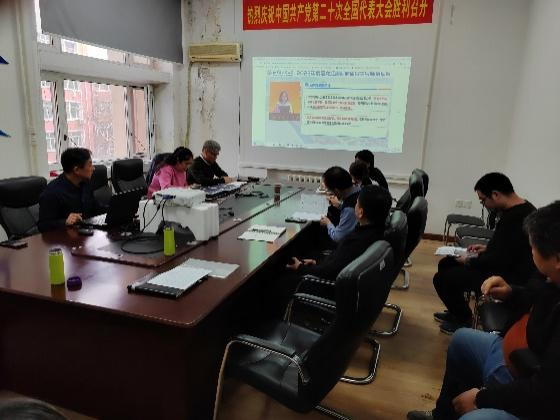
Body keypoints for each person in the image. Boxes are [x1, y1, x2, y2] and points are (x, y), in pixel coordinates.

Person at [407, 201, 560, 420]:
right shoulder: (551, 278)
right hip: (518, 356)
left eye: (533, 248)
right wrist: (511, 292)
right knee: (462, 340)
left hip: (535, 392)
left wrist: (481, 399)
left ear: (557, 259)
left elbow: (545, 392)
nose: (531, 253)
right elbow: (536, 294)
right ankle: (442, 416)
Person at [433, 173, 536, 334]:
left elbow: (500, 260)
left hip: (505, 277)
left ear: (495, 195)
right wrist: (487, 248)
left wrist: (469, 260)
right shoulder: (522, 209)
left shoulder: (516, 218)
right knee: (446, 263)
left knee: (441, 279)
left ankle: (463, 319)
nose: (483, 204)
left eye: (483, 200)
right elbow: (509, 247)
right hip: (500, 265)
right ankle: (456, 311)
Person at [286, 185, 392, 280]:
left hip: (327, 286)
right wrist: (316, 262)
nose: (355, 205)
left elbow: (328, 272)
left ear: (360, 212)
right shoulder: (377, 232)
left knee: (286, 276)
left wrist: (300, 267)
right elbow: (338, 261)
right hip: (334, 271)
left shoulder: (354, 242)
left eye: (356, 203)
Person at [38, 148, 104, 232]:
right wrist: (64, 222)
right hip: (63, 237)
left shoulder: (85, 184)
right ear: (76, 170)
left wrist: (115, 209)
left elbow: (96, 209)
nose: (93, 168)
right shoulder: (52, 193)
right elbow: (43, 225)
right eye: (90, 165)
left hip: (85, 233)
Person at [320, 166, 361, 244]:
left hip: (350, 245)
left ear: (336, 191)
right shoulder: (359, 190)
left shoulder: (349, 209)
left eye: (329, 190)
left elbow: (338, 237)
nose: (330, 193)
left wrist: (328, 223)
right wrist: (340, 205)